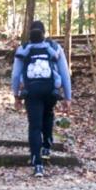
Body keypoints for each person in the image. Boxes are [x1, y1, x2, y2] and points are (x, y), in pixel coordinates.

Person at [12, 20, 72, 178]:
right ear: (44, 33)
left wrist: (16, 95)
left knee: (34, 126)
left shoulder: (23, 48)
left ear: (30, 32)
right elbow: (64, 72)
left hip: (31, 92)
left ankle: (37, 163)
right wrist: (67, 96)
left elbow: (16, 75)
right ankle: (47, 144)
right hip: (50, 90)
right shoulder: (54, 47)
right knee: (48, 114)